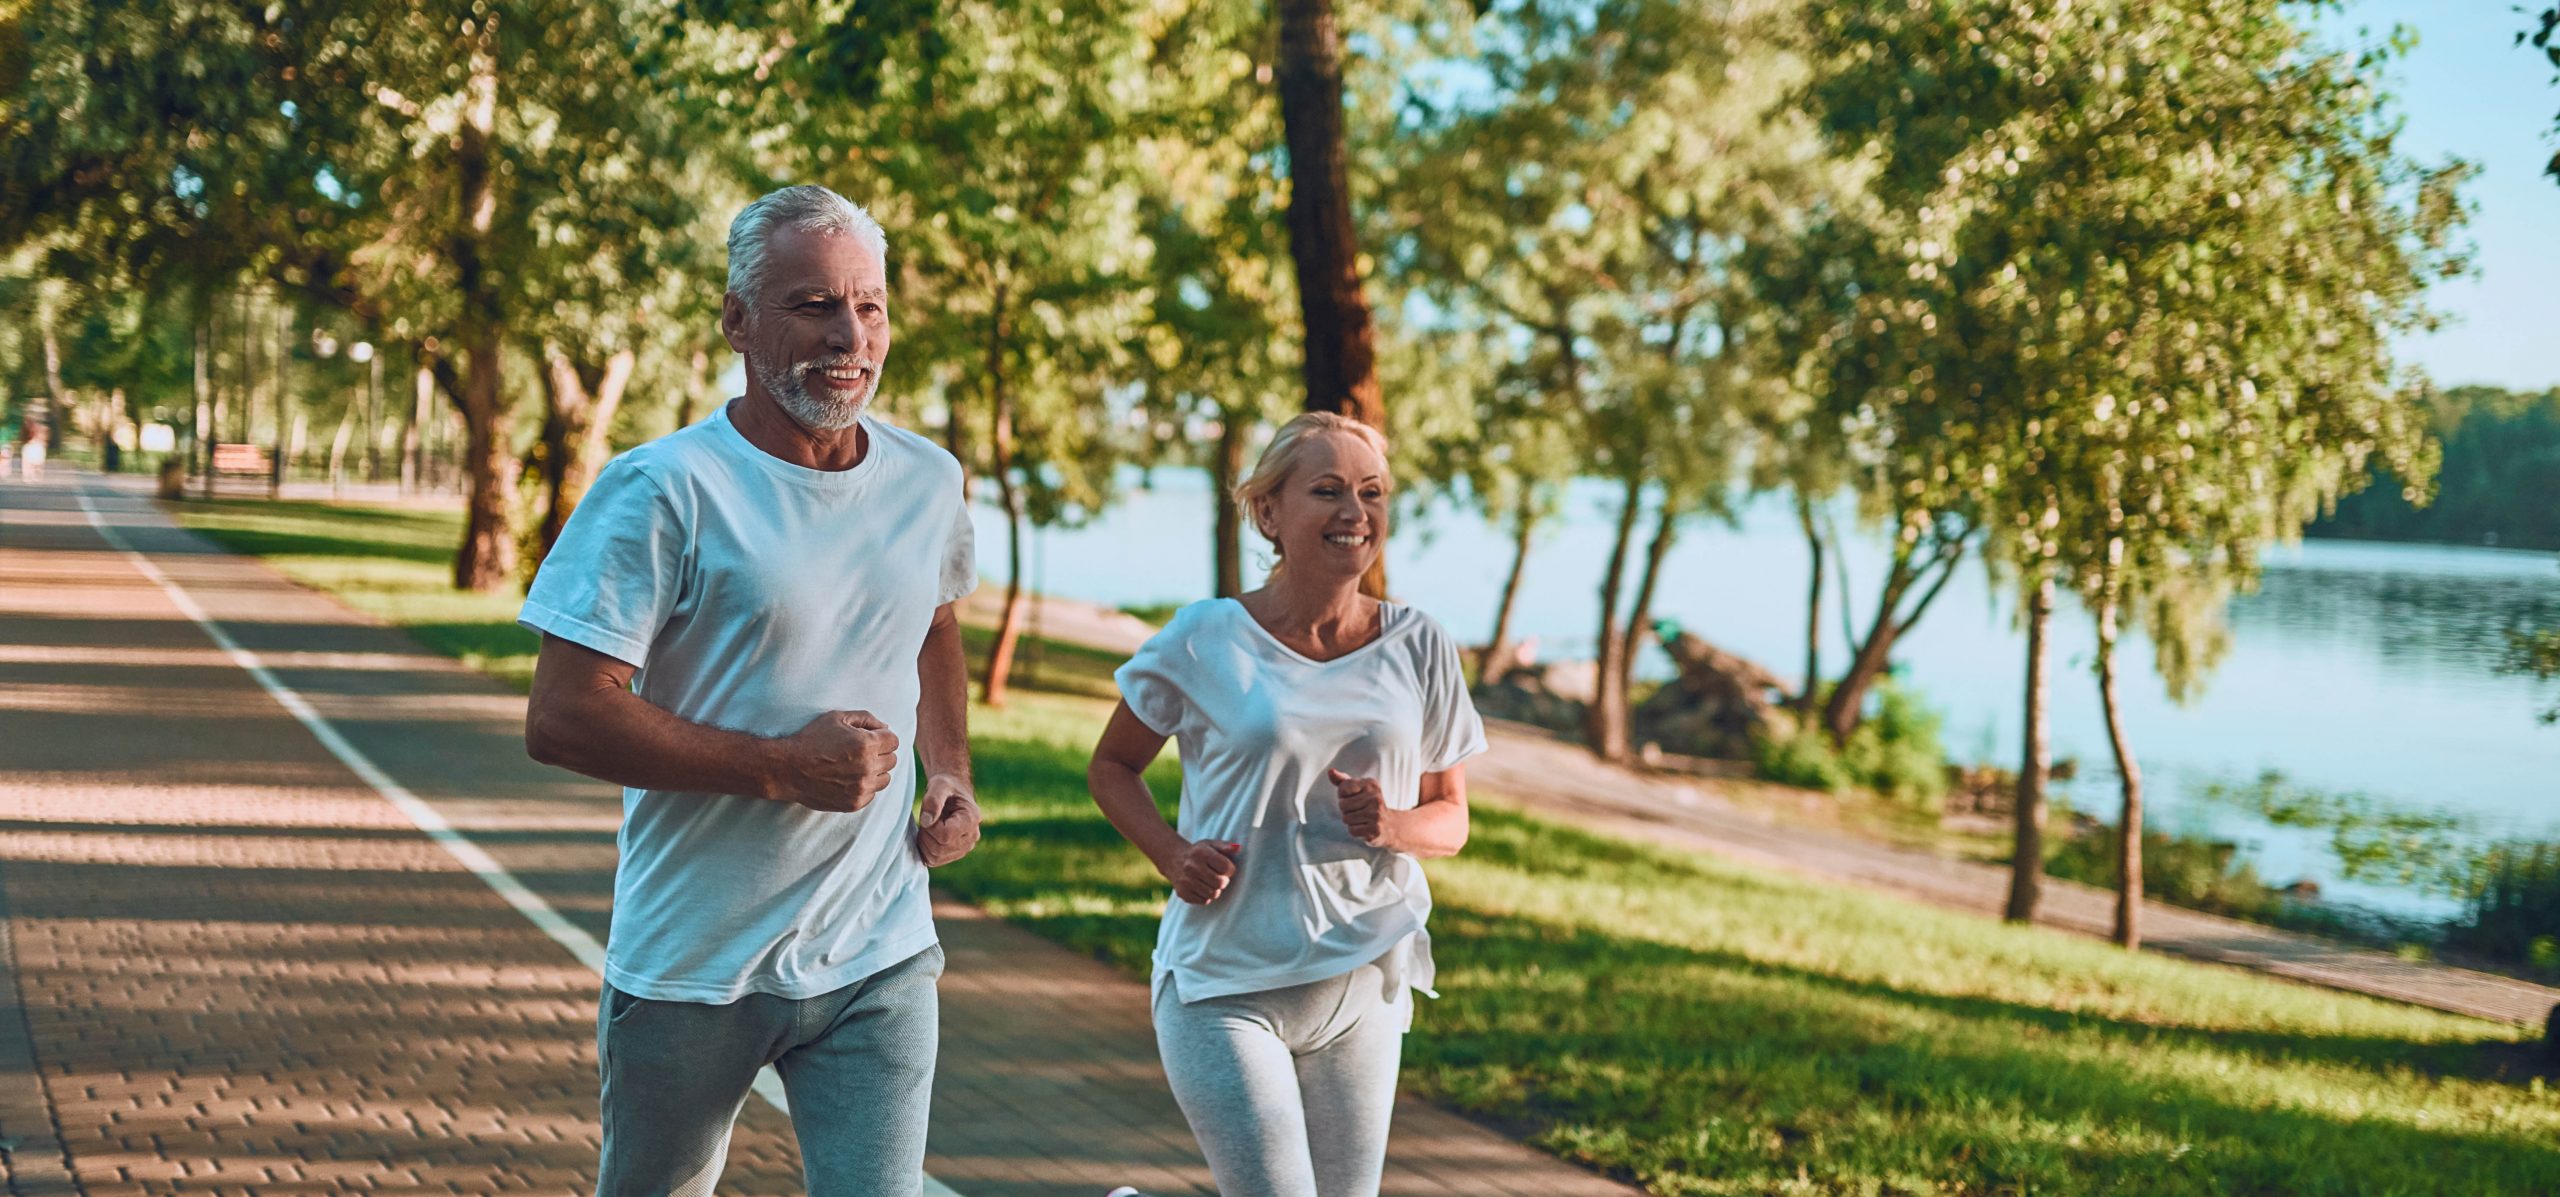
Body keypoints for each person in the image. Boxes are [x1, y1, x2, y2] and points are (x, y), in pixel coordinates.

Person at [519, 184, 981, 1197]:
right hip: (695, 961)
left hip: (878, 950)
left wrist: (949, 771)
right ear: (736, 318)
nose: (848, 336)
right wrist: (779, 768)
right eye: (813, 305)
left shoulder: (928, 479)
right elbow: (560, 716)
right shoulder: (664, 488)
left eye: (869, 306)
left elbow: (935, 618)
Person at [1087, 412, 1486, 1197]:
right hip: (1226, 986)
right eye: (1328, 490)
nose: (1355, 513)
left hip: (1360, 983)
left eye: (1371, 493)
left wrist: (1394, 824)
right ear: (1269, 511)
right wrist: (1171, 853)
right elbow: (1112, 766)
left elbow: (1452, 814)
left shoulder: (1420, 643)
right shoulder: (1206, 636)